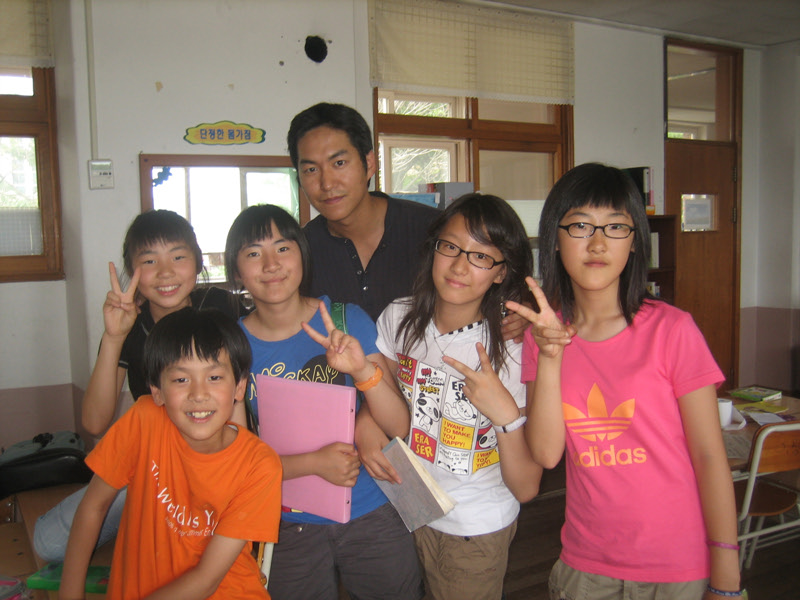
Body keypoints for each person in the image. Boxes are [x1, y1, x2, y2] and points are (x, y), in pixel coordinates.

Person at [506, 163, 741, 599]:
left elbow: (710, 457)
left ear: (635, 242)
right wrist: (552, 356)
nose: (598, 243)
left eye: (616, 227)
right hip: (586, 564)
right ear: (554, 238)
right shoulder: (545, 336)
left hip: (676, 567)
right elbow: (546, 453)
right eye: (580, 225)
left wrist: (726, 573)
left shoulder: (673, 330)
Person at [224, 204, 423, 600]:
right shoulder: (230, 346)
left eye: (283, 248)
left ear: (302, 255)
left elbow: (399, 424)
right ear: (236, 271)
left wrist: (363, 377)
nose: (271, 264)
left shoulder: (347, 320)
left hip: (371, 506)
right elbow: (234, 459)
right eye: (253, 253)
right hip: (286, 521)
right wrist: (313, 463)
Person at [34, 209, 245, 563]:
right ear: (132, 271)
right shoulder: (129, 325)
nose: (165, 272)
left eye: (178, 257)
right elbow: (94, 423)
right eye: (149, 261)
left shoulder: (222, 308)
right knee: (48, 543)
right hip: (153, 464)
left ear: (197, 261)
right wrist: (114, 337)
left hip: (214, 460)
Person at [374, 193, 543, 600]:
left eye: (481, 256)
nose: (460, 265)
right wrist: (366, 429)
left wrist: (504, 413)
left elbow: (526, 485)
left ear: (502, 272)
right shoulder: (398, 317)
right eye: (450, 246)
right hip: (410, 506)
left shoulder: (512, 349)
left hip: (474, 527)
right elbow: (382, 391)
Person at [59, 307, 282, 600]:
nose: (198, 394)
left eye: (215, 377)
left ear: (239, 387)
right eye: (180, 380)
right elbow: (93, 507)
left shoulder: (259, 465)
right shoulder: (144, 421)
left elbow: (205, 581)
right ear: (157, 390)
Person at [288, 101, 440, 322]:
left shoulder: (432, 230)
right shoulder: (300, 253)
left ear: (369, 163)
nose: (327, 183)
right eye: (311, 169)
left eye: (339, 163)